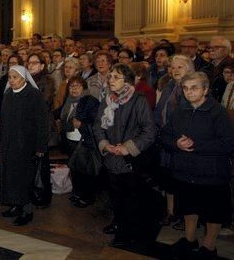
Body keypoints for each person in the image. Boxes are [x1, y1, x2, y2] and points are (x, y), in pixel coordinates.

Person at [163, 72, 234, 258]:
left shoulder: (217, 112)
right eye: (185, 88)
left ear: (205, 90)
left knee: (213, 213)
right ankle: (189, 240)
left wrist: (195, 145)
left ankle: (209, 247)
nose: (189, 92)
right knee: (188, 207)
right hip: (185, 171)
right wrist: (176, 143)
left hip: (211, 173)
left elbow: (228, 143)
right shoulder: (180, 110)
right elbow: (164, 135)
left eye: (194, 87)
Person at [94, 63, 158, 246]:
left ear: (128, 81)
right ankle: (119, 223)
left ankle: (128, 233)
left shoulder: (138, 100)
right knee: (115, 196)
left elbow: (149, 131)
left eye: (116, 77)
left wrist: (128, 147)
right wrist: (105, 145)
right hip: (111, 156)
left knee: (131, 198)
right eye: (110, 77)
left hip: (130, 159)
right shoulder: (108, 98)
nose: (111, 80)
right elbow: (98, 125)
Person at [0, 65, 49, 226]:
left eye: (15, 77)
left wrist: (41, 147)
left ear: (24, 78)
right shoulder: (8, 94)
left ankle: (26, 211)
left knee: (24, 178)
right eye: (10, 78)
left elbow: (42, 123)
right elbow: (3, 121)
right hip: (9, 144)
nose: (11, 81)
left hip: (27, 145)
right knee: (11, 177)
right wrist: (1, 142)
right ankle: (15, 205)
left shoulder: (34, 94)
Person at [59, 76, 100, 208]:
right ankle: (77, 192)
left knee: (85, 170)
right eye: (71, 86)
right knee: (75, 168)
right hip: (70, 139)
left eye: (77, 86)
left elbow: (96, 122)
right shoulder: (69, 101)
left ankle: (88, 196)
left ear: (84, 87)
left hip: (84, 141)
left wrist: (81, 125)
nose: (74, 88)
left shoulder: (90, 101)